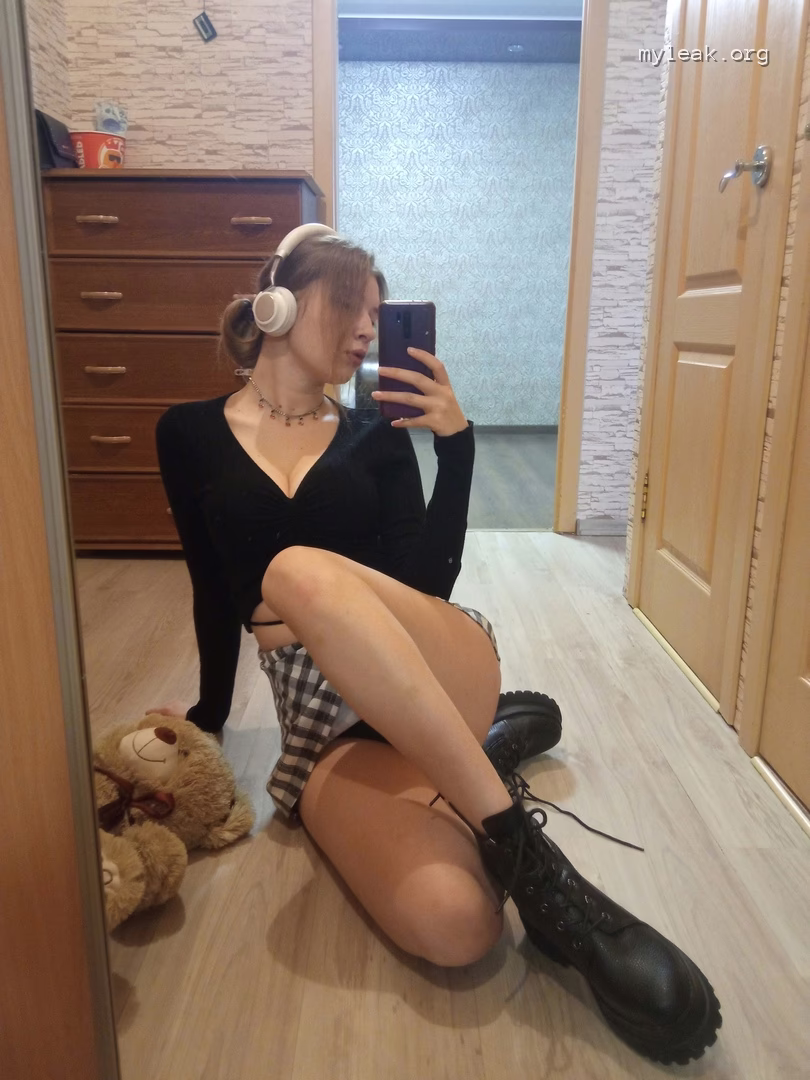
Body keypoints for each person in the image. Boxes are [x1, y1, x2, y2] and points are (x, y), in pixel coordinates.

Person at [153, 225, 721, 1065]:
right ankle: (479, 756)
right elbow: (210, 586)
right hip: (329, 723)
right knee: (458, 927)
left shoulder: (376, 436)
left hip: (435, 658)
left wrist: (456, 449)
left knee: (298, 572)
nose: (366, 331)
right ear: (281, 302)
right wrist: (207, 717)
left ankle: (550, 881)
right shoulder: (187, 433)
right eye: (352, 306)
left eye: (378, 315)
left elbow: (425, 588)